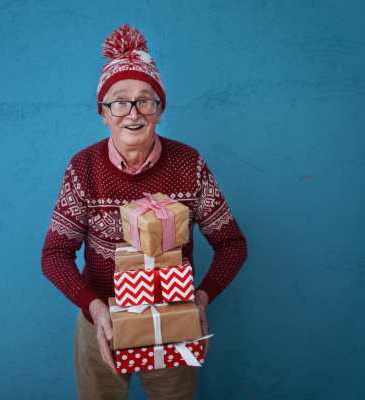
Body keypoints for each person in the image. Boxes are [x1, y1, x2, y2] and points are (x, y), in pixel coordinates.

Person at [41, 24, 247, 400]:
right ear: (103, 114)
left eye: (145, 100)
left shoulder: (189, 164)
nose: (132, 112)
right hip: (100, 321)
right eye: (118, 101)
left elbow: (232, 243)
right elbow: (54, 255)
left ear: (160, 110)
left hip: (174, 318)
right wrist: (95, 309)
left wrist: (200, 299)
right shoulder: (82, 168)